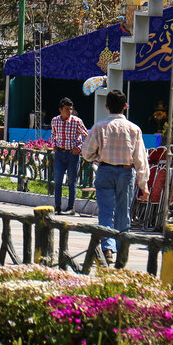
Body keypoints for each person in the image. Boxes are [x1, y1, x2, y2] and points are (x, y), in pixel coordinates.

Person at [81, 89, 150, 267]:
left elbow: (86, 153)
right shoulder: (134, 129)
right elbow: (140, 159)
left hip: (105, 170)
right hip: (126, 172)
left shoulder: (99, 127)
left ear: (106, 107)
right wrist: (144, 185)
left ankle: (108, 249)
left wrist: (97, 156)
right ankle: (121, 249)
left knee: (105, 211)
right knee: (123, 212)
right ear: (125, 107)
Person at [50, 97, 89, 215]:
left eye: (71, 109)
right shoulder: (55, 120)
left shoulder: (76, 121)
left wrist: (79, 148)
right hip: (60, 154)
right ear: (60, 109)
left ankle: (71, 207)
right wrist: (55, 145)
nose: (69, 112)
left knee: (72, 182)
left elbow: (87, 135)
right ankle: (57, 207)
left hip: (72, 154)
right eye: (67, 109)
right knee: (57, 181)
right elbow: (53, 134)